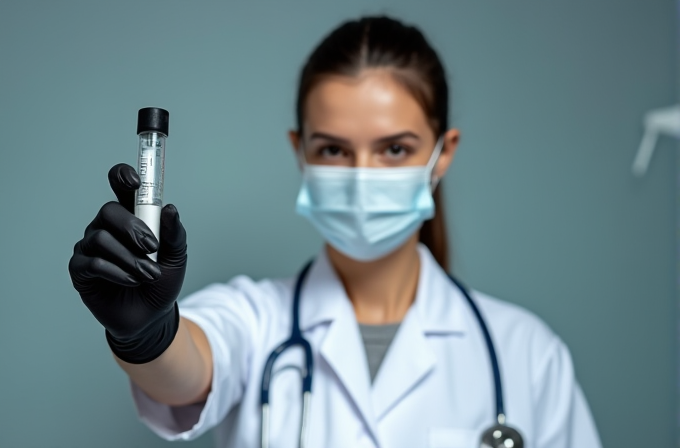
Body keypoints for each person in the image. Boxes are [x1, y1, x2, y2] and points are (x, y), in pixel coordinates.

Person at [68, 15, 601, 448]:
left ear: (443, 154)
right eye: (333, 149)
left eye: (395, 149)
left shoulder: (527, 355)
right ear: (300, 152)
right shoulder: (257, 322)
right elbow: (188, 368)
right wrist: (145, 334)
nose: (362, 175)